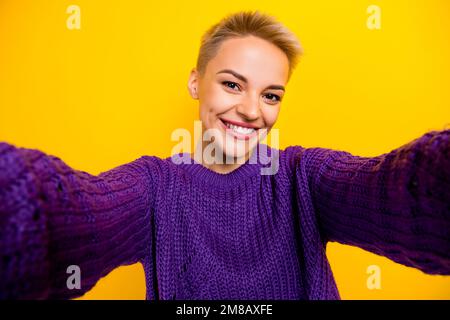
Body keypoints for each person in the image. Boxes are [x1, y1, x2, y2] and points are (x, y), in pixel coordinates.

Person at [0, 10, 449, 300]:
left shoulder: (303, 178)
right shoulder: (154, 187)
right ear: (196, 82)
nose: (253, 110)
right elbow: (67, 216)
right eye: (232, 84)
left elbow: (405, 195)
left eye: (271, 95)